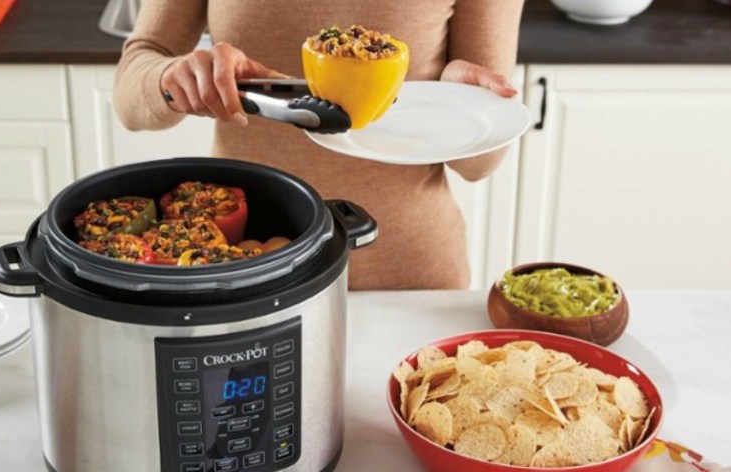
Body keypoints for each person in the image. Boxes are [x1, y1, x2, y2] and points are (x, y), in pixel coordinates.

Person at [113, 1, 525, 290]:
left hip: (406, 279)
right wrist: (171, 78)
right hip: (244, 267)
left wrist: (457, 106)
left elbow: (482, 164)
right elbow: (132, 96)